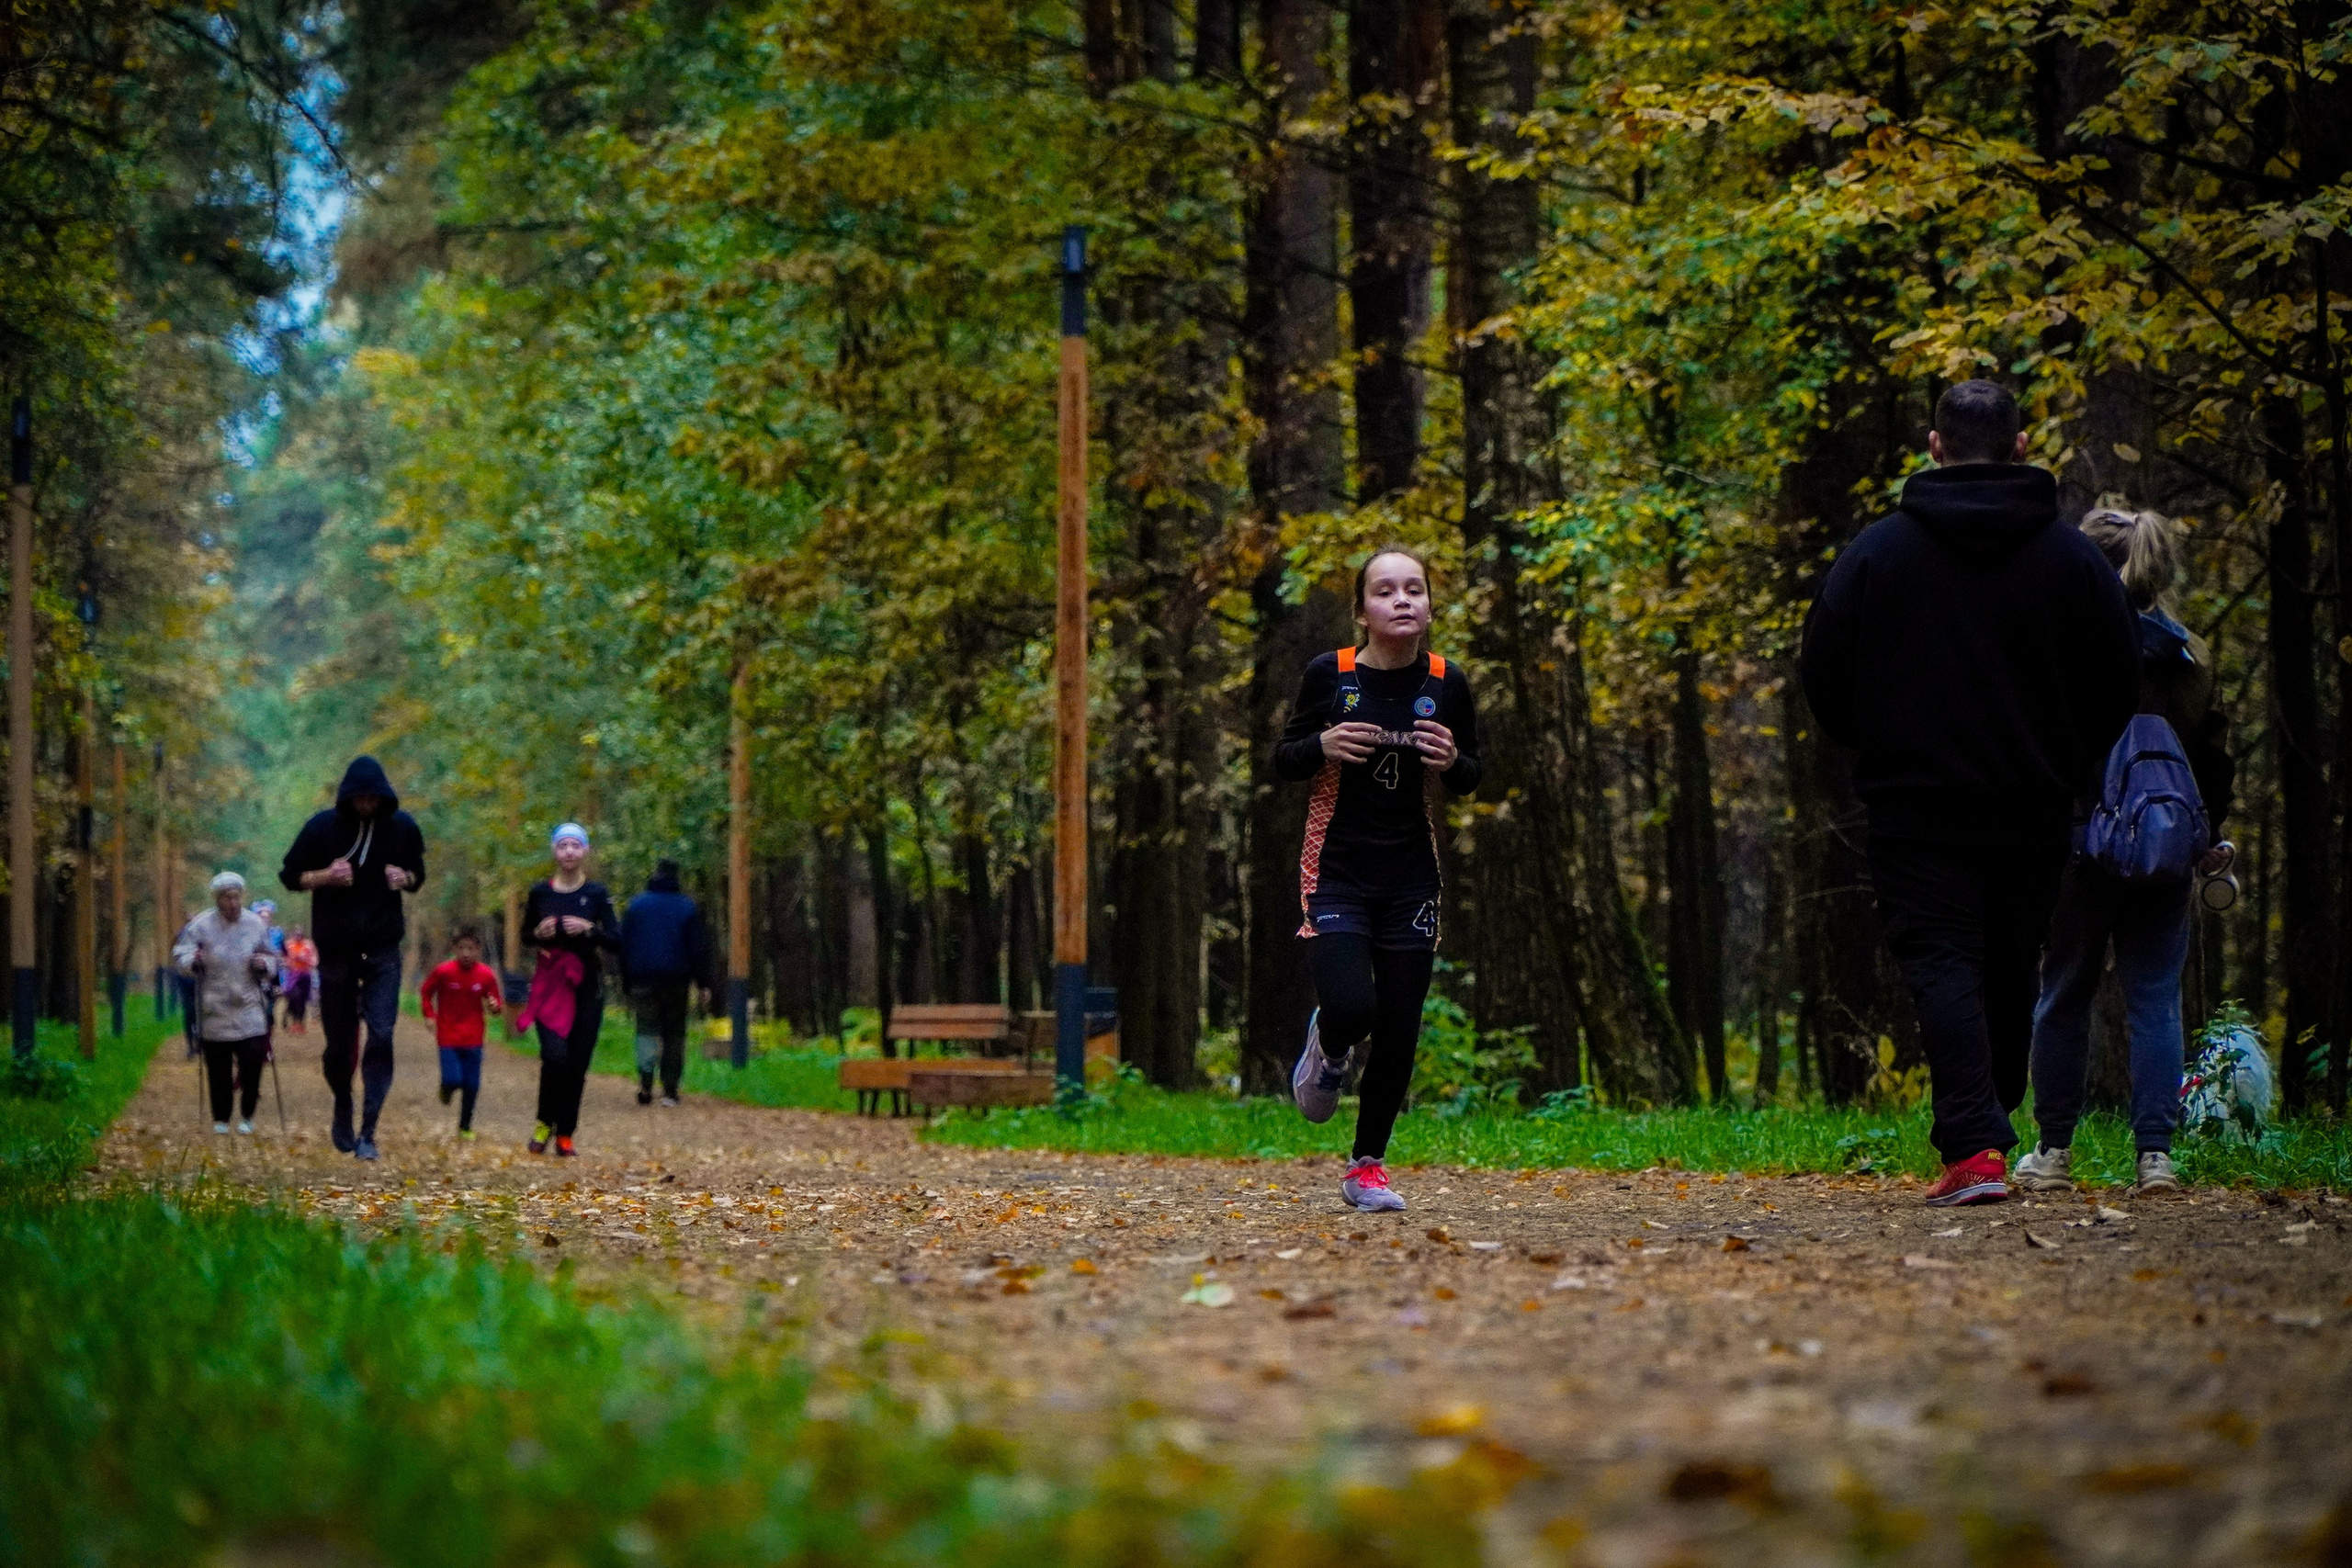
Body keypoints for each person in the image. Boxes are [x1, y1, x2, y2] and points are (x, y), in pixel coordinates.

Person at [1799, 380, 2140, 1206]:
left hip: (1916, 804)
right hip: (2031, 802)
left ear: (1934, 447)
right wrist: (2066, 758)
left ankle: (1978, 1142)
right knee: (2005, 961)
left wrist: (1878, 741)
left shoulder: (1878, 553)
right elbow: (2119, 679)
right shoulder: (2074, 560)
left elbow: (1821, 671)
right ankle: (1983, 1127)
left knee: (1942, 960)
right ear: (2023, 446)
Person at [2019, 506, 2235, 1196]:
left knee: (2063, 994)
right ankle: (2155, 1158)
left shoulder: (2067, 647)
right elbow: (2215, 763)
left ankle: (2053, 1152)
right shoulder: (2191, 657)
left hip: (2082, 848)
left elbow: (2046, 749)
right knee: (2154, 1000)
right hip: (2167, 852)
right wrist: (2204, 837)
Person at [1275, 548, 1481, 1213]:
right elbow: (1283, 759)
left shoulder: (1448, 681)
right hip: (1335, 869)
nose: (1401, 600)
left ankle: (1367, 1166)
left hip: (1411, 876)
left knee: (1399, 1020)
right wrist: (1323, 746)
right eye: (1385, 590)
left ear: (1428, 606)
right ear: (1362, 609)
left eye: (1414, 589)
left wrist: (1454, 761)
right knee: (1353, 1007)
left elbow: (1472, 771)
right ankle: (1328, 1048)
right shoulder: (1329, 675)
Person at [278, 756, 428, 1161]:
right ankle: (342, 1101)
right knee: (338, 1047)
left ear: (383, 797)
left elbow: (418, 872)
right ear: (347, 796)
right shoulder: (321, 828)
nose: (366, 804)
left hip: (383, 949)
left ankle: (369, 1130)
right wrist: (324, 877)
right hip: (337, 951)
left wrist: (406, 879)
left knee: (381, 1034)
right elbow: (290, 875)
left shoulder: (402, 828)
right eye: (359, 798)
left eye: (372, 798)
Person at [515, 823, 618, 1156]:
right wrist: (539, 933)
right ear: (554, 852)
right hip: (550, 986)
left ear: (585, 851)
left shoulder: (598, 893)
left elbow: (617, 940)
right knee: (554, 1056)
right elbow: (525, 936)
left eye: (576, 845)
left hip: (586, 984)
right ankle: (545, 1122)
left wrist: (590, 929)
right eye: (563, 846)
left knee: (576, 1062)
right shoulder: (540, 893)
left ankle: (565, 1133)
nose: (569, 851)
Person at [173, 872, 279, 1135]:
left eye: (236, 897)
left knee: (253, 1063)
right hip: (214, 1006)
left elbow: (273, 959)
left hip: (249, 1004)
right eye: (226, 898)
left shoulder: (256, 925)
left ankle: (247, 1114)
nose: (232, 903)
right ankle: (221, 1117)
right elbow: (181, 953)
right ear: (217, 900)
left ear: (242, 897)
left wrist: (263, 965)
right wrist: (192, 962)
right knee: (218, 1068)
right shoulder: (200, 926)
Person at [620, 859, 712, 1107]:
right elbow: (698, 949)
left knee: (646, 1030)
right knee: (674, 1034)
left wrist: (626, 981)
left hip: (643, 979)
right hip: (676, 980)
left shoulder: (636, 906)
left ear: (655, 874)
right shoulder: (687, 907)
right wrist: (703, 983)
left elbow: (623, 946)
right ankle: (670, 1090)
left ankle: (646, 1083)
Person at [422, 926, 504, 1139]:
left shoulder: (486, 975)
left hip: (474, 1037)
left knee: (472, 1085)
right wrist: (429, 1014)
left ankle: (465, 1126)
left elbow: (496, 1004)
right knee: (453, 1079)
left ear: (479, 950)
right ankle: (446, 1089)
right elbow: (426, 991)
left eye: (470, 948)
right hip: (448, 1035)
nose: (466, 953)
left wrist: (495, 1007)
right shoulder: (444, 972)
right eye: (461, 948)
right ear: (454, 949)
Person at [281, 924, 318, 1035]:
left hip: (305, 975)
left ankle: (299, 1023)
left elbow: (314, 960)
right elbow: (283, 958)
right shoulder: (288, 945)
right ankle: (290, 1017)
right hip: (292, 975)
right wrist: (289, 961)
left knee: (302, 1000)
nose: (298, 935)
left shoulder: (308, 945)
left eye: (300, 934)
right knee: (294, 997)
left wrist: (305, 959)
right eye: (296, 933)